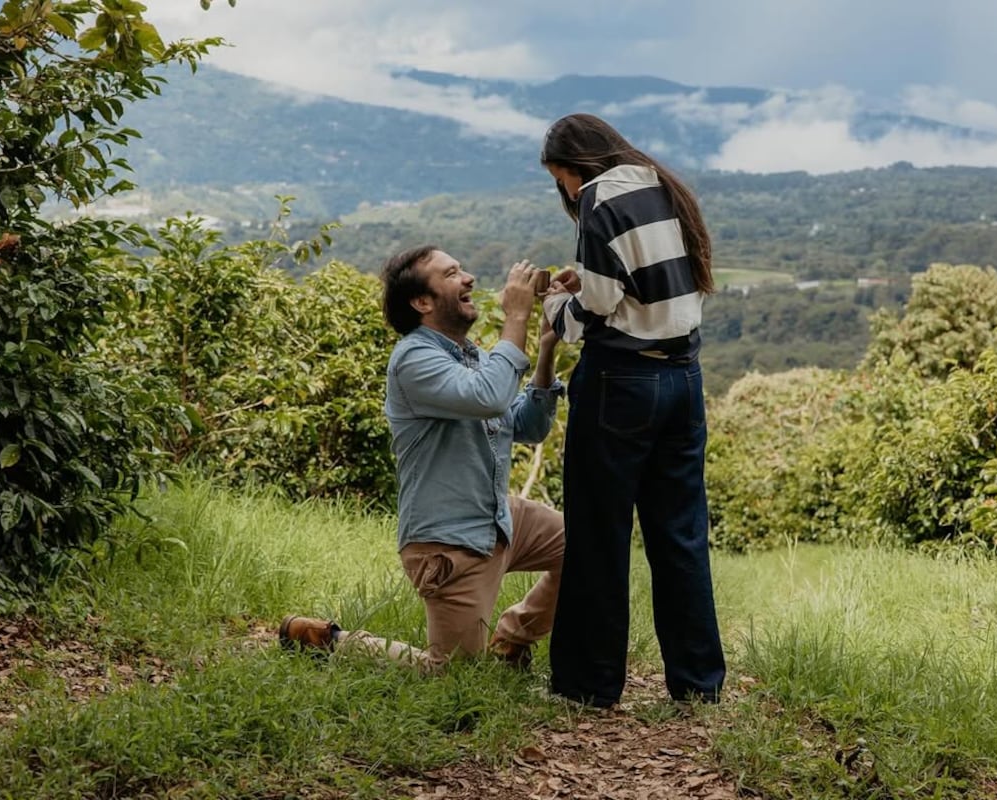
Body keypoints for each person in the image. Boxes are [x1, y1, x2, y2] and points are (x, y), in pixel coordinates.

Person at [280, 246, 565, 673]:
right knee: (450, 673)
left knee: (588, 546)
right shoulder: (413, 359)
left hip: (500, 518)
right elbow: (488, 397)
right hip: (452, 543)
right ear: (423, 302)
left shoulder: (472, 357)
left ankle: (511, 640)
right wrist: (516, 318)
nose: (468, 278)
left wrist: (544, 347)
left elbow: (527, 425)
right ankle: (328, 640)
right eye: (452, 273)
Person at [538, 113, 726, 707]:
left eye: (560, 179)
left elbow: (594, 310)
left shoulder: (597, 197)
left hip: (622, 381)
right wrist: (588, 283)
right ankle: (698, 686)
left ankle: (588, 688)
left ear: (573, 168)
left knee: (599, 534)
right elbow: (647, 281)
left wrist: (552, 306)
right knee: (681, 535)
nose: (565, 192)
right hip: (683, 378)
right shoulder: (658, 182)